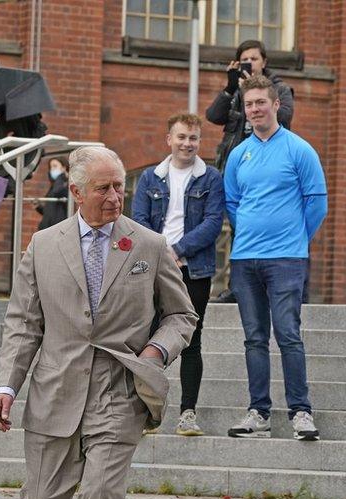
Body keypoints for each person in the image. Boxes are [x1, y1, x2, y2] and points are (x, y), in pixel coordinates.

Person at [0, 146, 197, 499]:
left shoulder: (149, 245)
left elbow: (181, 316)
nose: (115, 198)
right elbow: (24, 324)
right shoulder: (43, 245)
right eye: (103, 189)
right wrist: (6, 387)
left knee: (100, 495)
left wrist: (155, 353)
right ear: (76, 192)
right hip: (56, 389)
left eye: (119, 187)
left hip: (119, 389)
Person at [223, 75, 327, 442]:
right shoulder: (238, 154)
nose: (255, 109)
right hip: (245, 259)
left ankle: (301, 411)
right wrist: (252, 234)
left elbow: (317, 201)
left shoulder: (299, 150)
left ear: (275, 104)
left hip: (286, 259)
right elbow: (232, 203)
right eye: (249, 104)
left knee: (287, 334)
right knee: (254, 338)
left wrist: (295, 238)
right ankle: (259, 413)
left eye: (260, 103)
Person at [131, 113, 225, 437]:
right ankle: (146, 410)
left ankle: (188, 412)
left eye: (194, 138)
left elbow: (213, 223)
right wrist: (160, 251)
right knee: (149, 335)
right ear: (168, 139)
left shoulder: (211, 178)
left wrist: (178, 250)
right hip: (154, 268)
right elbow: (139, 218)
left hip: (194, 269)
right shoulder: (149, 178)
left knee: (191, 341)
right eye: (182, 137)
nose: (188, 144)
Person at [206, 39, 295, 304]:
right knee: (237, 227)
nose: (250, 64)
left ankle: (267, 287)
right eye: (245, 59)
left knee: (267, 227)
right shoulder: (236, 91)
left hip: (267, 169)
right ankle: (238, 287)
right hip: (238, 167)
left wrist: (255, 98)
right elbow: (213, 115)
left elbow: (287, 116)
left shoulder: (279, 88)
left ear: (264, 62)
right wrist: (232, 87)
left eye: (254, 59)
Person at [37, 157, 70, 230]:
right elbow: (50, 211)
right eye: (51, 167)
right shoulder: (54, 186)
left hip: (58, 228)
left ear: (63, 168)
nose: (52, 169)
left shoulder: (66, 185)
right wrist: (38, 206)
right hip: (47, 227)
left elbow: (57, 192)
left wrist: (62, 176)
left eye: (55, 166)